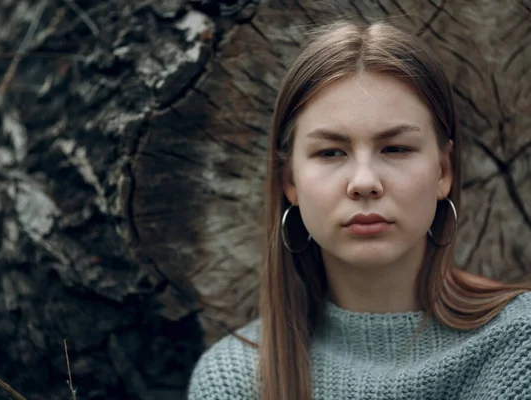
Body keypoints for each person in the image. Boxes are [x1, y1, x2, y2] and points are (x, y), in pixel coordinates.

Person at [187, 20, 531, 400]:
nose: (364, 182)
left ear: (443, 171)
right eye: (330, 152)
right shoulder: (235, 378)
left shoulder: (518, 345)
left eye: (395, 148)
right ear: (290, 182)